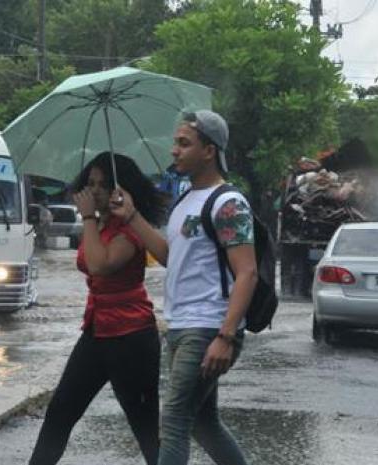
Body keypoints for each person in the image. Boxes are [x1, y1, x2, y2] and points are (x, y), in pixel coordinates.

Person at [109, 110, 257, 465]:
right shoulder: (184, 201)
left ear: (209, 150)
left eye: (183, 143)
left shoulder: (228, 203)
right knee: (204, 424)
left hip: (207, 328)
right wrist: (131, 216)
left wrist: (226, 336)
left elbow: (247, 272)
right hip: (181, 326)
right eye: (175, 143)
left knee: (173, 421)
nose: (174, 151)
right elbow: (170, 257)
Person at [29, 152, 169, 465]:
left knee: (146, 430)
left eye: (103, 185)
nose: (95, 191)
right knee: (60, 413)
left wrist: (89, 218)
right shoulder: (102, 224)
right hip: (96, 330)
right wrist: (93, 220)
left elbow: (98, 265)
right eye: (90, 183)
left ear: (121, 189)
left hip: (131, 336)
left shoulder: (129, 229)